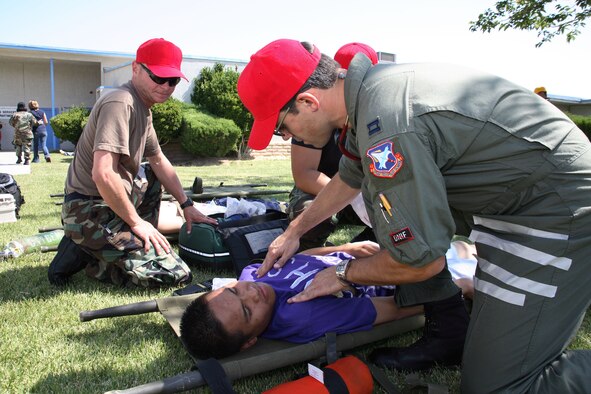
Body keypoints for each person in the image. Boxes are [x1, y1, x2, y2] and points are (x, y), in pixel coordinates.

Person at [236, 39, 591, 392]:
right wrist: (295, 230)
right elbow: (351, 175)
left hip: (553, 212)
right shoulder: (372, 96)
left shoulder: (387, 123)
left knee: (498, 388)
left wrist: (343, 274)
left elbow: (421, 262)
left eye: (282, 127)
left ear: (307, 102)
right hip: (516, 205)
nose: (286, 137)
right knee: (485, 356)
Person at [47, 38, 217, 288]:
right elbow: (103, 174)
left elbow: (158, 160)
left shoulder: (143, 107)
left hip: (111, 204)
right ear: (136, 68)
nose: (166, 86)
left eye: (173, 80)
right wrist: (138, 223)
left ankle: (108, 246)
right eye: (159, 77)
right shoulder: (120, 102)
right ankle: (86, 249)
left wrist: (186, 204)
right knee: (172, 275)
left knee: (151, 174)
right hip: (89, 209)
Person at [180, 240, 476, 360]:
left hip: (381, 255)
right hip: (409, 274)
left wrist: (347, 246)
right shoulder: (301, 315)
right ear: (249, 342)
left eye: (233, 290)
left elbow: (298, 259)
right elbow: (389, 310)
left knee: (462, 246)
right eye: (247, 310)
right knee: (479, 269)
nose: (250, 293)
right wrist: (454, 291)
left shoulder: (250, 275)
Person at [286, 42, 378, 250]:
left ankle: (368, 246)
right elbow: (304, 174)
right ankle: (309, 251)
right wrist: (349, 195)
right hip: (322, 188)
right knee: (307, 211)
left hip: (367, 192)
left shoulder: (376, 113)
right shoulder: (309, 117)